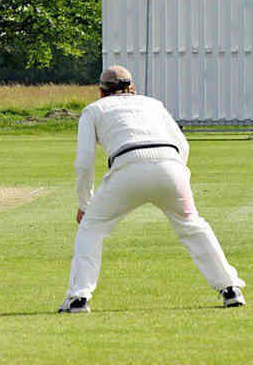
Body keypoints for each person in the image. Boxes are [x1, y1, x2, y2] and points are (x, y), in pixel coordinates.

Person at [58, 65, 245, 313]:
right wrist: (175, 178)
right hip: (171, 167)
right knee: (193, 226)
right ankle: (230, 289)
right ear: (132, 87)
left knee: (91, 228)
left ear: (101, 92)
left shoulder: (93, 109)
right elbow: (182, 145)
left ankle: (78, 298)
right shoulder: (153, 104)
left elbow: (84, 162)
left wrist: (85, 204)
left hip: (126, 169)